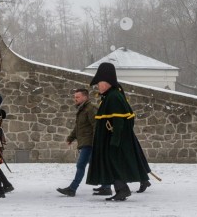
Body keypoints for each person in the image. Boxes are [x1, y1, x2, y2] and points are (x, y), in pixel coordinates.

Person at [85, 62, 150, 201]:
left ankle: (123, 190)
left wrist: (115, 141)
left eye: (100, 83)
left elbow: (119, 121)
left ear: (107, 82)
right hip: (109, 139)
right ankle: (121, 190)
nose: (97, 86)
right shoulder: (110, 96)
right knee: (112, 164)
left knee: (114, 163)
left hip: (113, 139)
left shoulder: (114, 97)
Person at [57, 87, 96, 196]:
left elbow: (96, 126)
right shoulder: (82, 109)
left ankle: (72, 188)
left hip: (89, 143)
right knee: (96, 164)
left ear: (85, 97)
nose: (75, 99)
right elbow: (78, 127)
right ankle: (106, 187)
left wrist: (97, 142)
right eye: (75, 97)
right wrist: (71, 137)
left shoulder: (90, 109)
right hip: (85, 142)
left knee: (81, 165)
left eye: (78, 97)